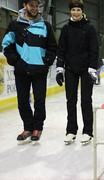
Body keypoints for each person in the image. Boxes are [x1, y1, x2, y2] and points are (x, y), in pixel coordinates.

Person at [1, 0, 57, 143]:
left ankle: (37, 128)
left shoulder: (46, 26)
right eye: (31, 5)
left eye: (37, 6)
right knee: (22, 101)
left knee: (39, 101)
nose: (35, 9)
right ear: (25, 5)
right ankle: (28, 127)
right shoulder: (15, 25)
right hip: (21, 70)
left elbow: (52, 47)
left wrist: (46, 62)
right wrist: (16, 62)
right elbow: (6, 46)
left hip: (39, 70)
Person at [56, 0, 99, 144]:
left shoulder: (89, 28)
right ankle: (71, 130)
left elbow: (94, 50)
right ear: (70, 11)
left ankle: (87, 131)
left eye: (78, 10)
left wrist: (93, 69)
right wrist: (59, 69)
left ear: (82, 11)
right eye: (73, 10)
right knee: (71, 101)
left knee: (86, 100)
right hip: (70, 69)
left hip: (86, 69)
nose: (75, 12)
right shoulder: (66, 28)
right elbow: (61, 50)